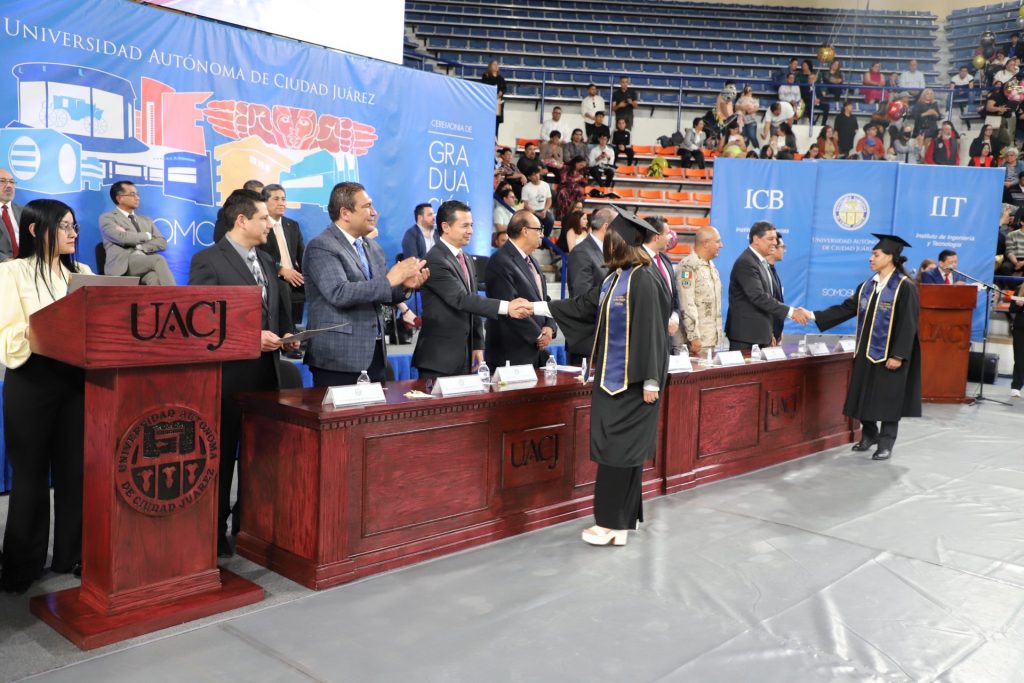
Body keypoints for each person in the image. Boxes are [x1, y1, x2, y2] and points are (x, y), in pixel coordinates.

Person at [526, 207, 671, 546]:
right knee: (621, 451)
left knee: (618, 451)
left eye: (610, 241)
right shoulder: (615, 278)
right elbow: (581, 306)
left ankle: (608, 524)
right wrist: (534, 307)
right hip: (613, 380)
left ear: (620, 244)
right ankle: (623, 522)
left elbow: (653, 331)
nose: (605, 246)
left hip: (634, 383)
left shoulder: (643, 278)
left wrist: (652, 380)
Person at [188, 190, 298, 556]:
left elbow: (273, 311)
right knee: (221, 458)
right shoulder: (207, 261)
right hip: (229, 378)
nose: (270, 224)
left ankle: (250, 525)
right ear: (241, 220)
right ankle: (212, 533)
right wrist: (252, 337)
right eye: (264, 218)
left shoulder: (266, 260)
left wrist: (285, 337)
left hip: (267, 374)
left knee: (260, 458)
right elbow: (202, 321)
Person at [0, 199, 89, 592]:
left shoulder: (83, 274)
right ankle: (22, 564)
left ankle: (73, 553)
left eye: (74, 226)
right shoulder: (11, 272)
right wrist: (49, 328)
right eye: (65, 226)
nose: (73, 233)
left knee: (76, 472)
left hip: (77, 380)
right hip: (32, 380)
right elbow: (6, 334)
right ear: (37, 230)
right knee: (30, 475)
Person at [801, 234, 921, 461]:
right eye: (871, 254)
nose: (870, 258)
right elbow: (846, 309)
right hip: (866, 351)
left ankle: (886, 442)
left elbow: (909, 324)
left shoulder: (904, 287)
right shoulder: (867, 286)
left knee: (889, 398)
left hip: (890, 353)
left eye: (876, 254)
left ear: (890, 257)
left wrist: (898, 355)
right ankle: (869, 435)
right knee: (863, 394)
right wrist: (813, 315)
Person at [303, 182, 428, 387]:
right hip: (338, 359)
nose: (374, 212)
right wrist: (389, 280)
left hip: (375, 355)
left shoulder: (373, 247)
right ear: (345, 213)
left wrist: (405, 286)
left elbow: (383, 293)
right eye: (367, 206)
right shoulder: (322, 246)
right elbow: (339, 293)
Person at [412, 200, 530, 379]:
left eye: (471, 225)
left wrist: (477, 345)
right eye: (464, 226)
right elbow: (462, 299)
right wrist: (507, 307)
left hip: (465, 356)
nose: (471, 231)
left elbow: (473, 304)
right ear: (445, 227)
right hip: (439, 359)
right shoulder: (435, 259)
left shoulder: (466, 258)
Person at [483, 210, 557, 369]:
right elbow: (510, 306)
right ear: (525, 231)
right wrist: (538, 336)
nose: (542, 235)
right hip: (511, 353)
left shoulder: (532, 261)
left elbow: (544, 299)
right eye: (539, 230)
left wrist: (550, 326)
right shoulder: (500, 261)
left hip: (535, 351)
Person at [725, 221, 807, 350]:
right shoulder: (746, 262)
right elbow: (758, 297)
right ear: (756, 239)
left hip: (760, 336)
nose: (775, 242)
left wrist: (770, 333)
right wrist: (791, 312)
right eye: (770, 238)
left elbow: (769, 299)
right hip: (746, 337)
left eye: (775, 239)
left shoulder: (762, 262)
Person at [98, 180, 175, 285]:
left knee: (154, 278)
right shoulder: (108, 218)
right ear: (119, 198)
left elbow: (162, 242)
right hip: (123, 265)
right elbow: (122, 238)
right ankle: (176, 294)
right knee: (158, 260)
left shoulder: (146, 220)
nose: (137, 197)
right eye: (132, 194)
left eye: (137, 194)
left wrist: (141, 247)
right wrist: (147, 235)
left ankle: (166, 296)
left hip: (144, 262)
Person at [565, 207, 613, 364]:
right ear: (606, 227)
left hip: (605, 338)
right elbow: (582, 297)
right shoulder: (581, 252)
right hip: (588, 340)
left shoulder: (607, 251)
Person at [260, 183, 306, 325]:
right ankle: (288, 330)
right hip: (272, 275)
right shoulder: (261, 225)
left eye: (283, 199)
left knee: (315, 283)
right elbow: (259, 256)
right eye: (276, 199)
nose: (281, 203)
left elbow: (302, 255)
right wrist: (281, 270)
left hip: (294, 274)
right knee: (283, 286)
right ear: (264, 202)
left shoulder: (292, 225)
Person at [677, 225, 723, 355]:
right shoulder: (688, 266)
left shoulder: (711, 266)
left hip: (711, 340)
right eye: (717, 241)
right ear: (705, 243)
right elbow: (686, 303)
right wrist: (693, 336)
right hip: (696, 343)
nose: (721, 245)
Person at [642, 216, 681, 341]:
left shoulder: (665, 260)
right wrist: (663, 321)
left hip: (668, 336)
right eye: (668, 233)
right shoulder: (638, 261)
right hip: (648, 335)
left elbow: (674, 295)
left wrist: (675, 316)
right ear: (657, 237)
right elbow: (643, 302)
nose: (671, 237)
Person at [520, 167, 555, 238]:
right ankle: (538, 239)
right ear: (529, 177)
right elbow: (525, 205)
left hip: (543, 210)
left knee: (550, 219)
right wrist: (536, 213)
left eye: (537, 173)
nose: (536, 175)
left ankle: (545, 239)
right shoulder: (526, 188)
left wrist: (545, 210)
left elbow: (549, 200)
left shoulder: (545, 185)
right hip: (531, 211)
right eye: (533, 174)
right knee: (537, 224)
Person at [554, 156, 588, 222]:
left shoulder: (581, 171)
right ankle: (562, 216)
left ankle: (577, 216)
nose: (581, 167)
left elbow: (584, 184)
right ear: (576, 163)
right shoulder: (566, 168)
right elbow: (563, 180)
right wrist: (576, 179)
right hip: (565, 187)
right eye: (580, 165)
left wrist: (584, 180)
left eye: (583, 166)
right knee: (563, 193)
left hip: (575, 189)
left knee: (580, 193)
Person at [766, 235, 787, 340]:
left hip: (774, 333)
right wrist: (768, 333)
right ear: (773, 248)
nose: (785, 251)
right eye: (783, 247)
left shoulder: (772, 270)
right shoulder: (762, 272)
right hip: (765, 334)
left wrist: (779, 330)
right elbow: (763, 304)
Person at [0, 168, 23, 261]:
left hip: (25, 263)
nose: (9, 185)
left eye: (12, 182)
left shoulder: (23, 211)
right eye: (2, 181)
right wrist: (7, 261)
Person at [481, 60, 507, 137]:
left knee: (496, 124)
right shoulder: (486, 76)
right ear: (490, 66)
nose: (496, 66)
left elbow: (504, 88)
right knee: (487, 123)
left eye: (497, 65)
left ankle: (495, 140)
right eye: (494, 64)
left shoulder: (501, 78)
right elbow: (484, 87)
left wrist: (501, 92)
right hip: (488, 102)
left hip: (497, 102)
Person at [1009, 280, 1024, 398]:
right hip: (1020, 328)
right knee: (1019, 357)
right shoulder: (1020, 288)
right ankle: (1016, 386)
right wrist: (1019, 305)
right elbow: (1012, 309)